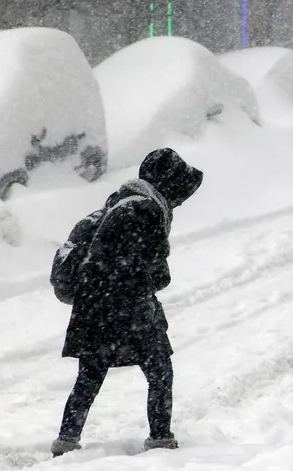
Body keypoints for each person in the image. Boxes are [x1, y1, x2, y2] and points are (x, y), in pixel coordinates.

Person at [52, 148, 204, 457]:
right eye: (180, 191)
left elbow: (99, 260)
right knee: (160, 370)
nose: (181, 200)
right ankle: (161, 440)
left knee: (90, 376)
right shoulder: (144, 211)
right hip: (126, 308)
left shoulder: (119, 203)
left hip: (95, 308)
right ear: (169, 183)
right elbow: (149, 270)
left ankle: (66, 441)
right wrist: (148, 280)